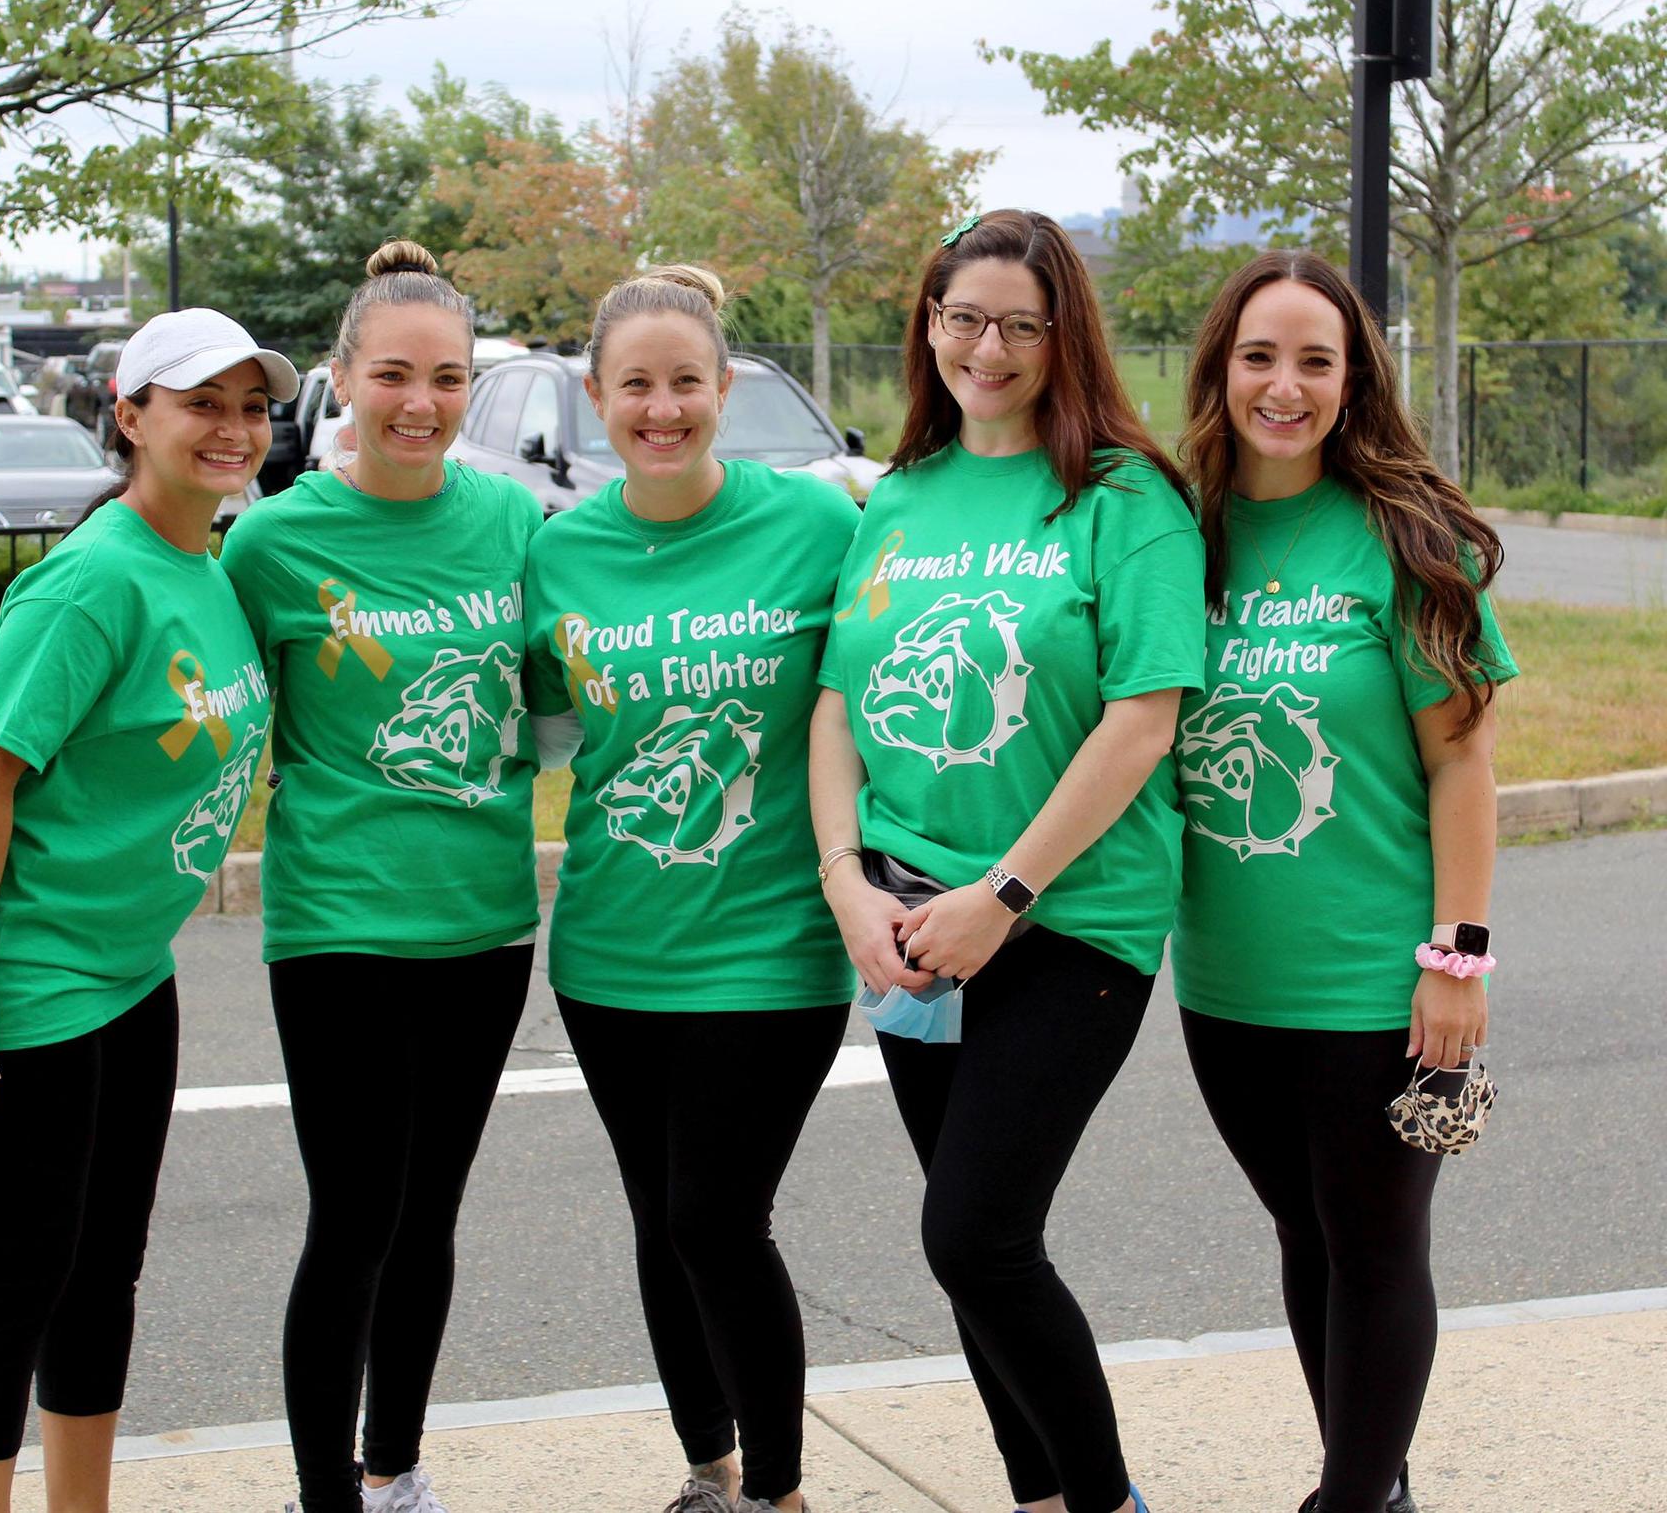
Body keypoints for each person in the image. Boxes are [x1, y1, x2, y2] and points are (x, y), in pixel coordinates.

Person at [811, 209, 1204, 1513]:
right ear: (928, 325)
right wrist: (845, 882)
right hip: (911, 920)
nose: (988, 345)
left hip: (1067, 915)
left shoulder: (1124, 499)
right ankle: (1040, 1497)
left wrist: (1008, 893)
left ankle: (1102, 1500)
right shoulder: (900, 497)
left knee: (971, 1231)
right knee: (978, 1247)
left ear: (1062, 336)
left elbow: (1143, 715)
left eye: (1020, 324)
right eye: (963, 316)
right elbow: (835, 702)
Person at [0, 307, 295, 1512]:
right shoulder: (89, 584)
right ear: (130, 416)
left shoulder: (206, 566)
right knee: (18, 1276)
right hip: (26, 968)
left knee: (103, 1269)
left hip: (128, 962)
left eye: (250, 405)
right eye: (200, 403)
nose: (231, 429)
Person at [1170, 250, 1517, 1513]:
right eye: (1260, 355)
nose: (1286, 384)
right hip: (1223, 980)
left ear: (1354, 377)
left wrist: (1458, 954)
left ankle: (1353, 1500)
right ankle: (1373, 1484)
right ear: (1221, 369)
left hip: (1381, 982)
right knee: (1303, 1236)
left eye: (1317, 359)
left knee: (1374, 1247)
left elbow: (1464, 760)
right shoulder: (1180, 531)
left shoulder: (1405, 533)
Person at [522, 265, 860, 1513]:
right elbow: (552, 734)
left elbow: (873, 707)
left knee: (719, 1217)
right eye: (634, 387)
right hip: (612, 949)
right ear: (597, 400)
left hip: (772, 944)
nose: (661, 409)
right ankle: (710, 1472)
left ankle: (776, 1491)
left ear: (725, 388)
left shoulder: (819, 529)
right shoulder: (558, 554)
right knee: (664, 1221)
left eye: (685, 383)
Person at [218, 240, 542, 1513]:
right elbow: (199, 712)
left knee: (429, 1218)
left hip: (484, 923)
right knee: (353, 1219)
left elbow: (567, 694)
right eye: (393, 374)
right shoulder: (273, 545)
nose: (420, 402)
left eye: (449, 377)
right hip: (339, 923)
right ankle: (326, 1497)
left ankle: (394, 1469)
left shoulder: (516, 521)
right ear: (342, 379)